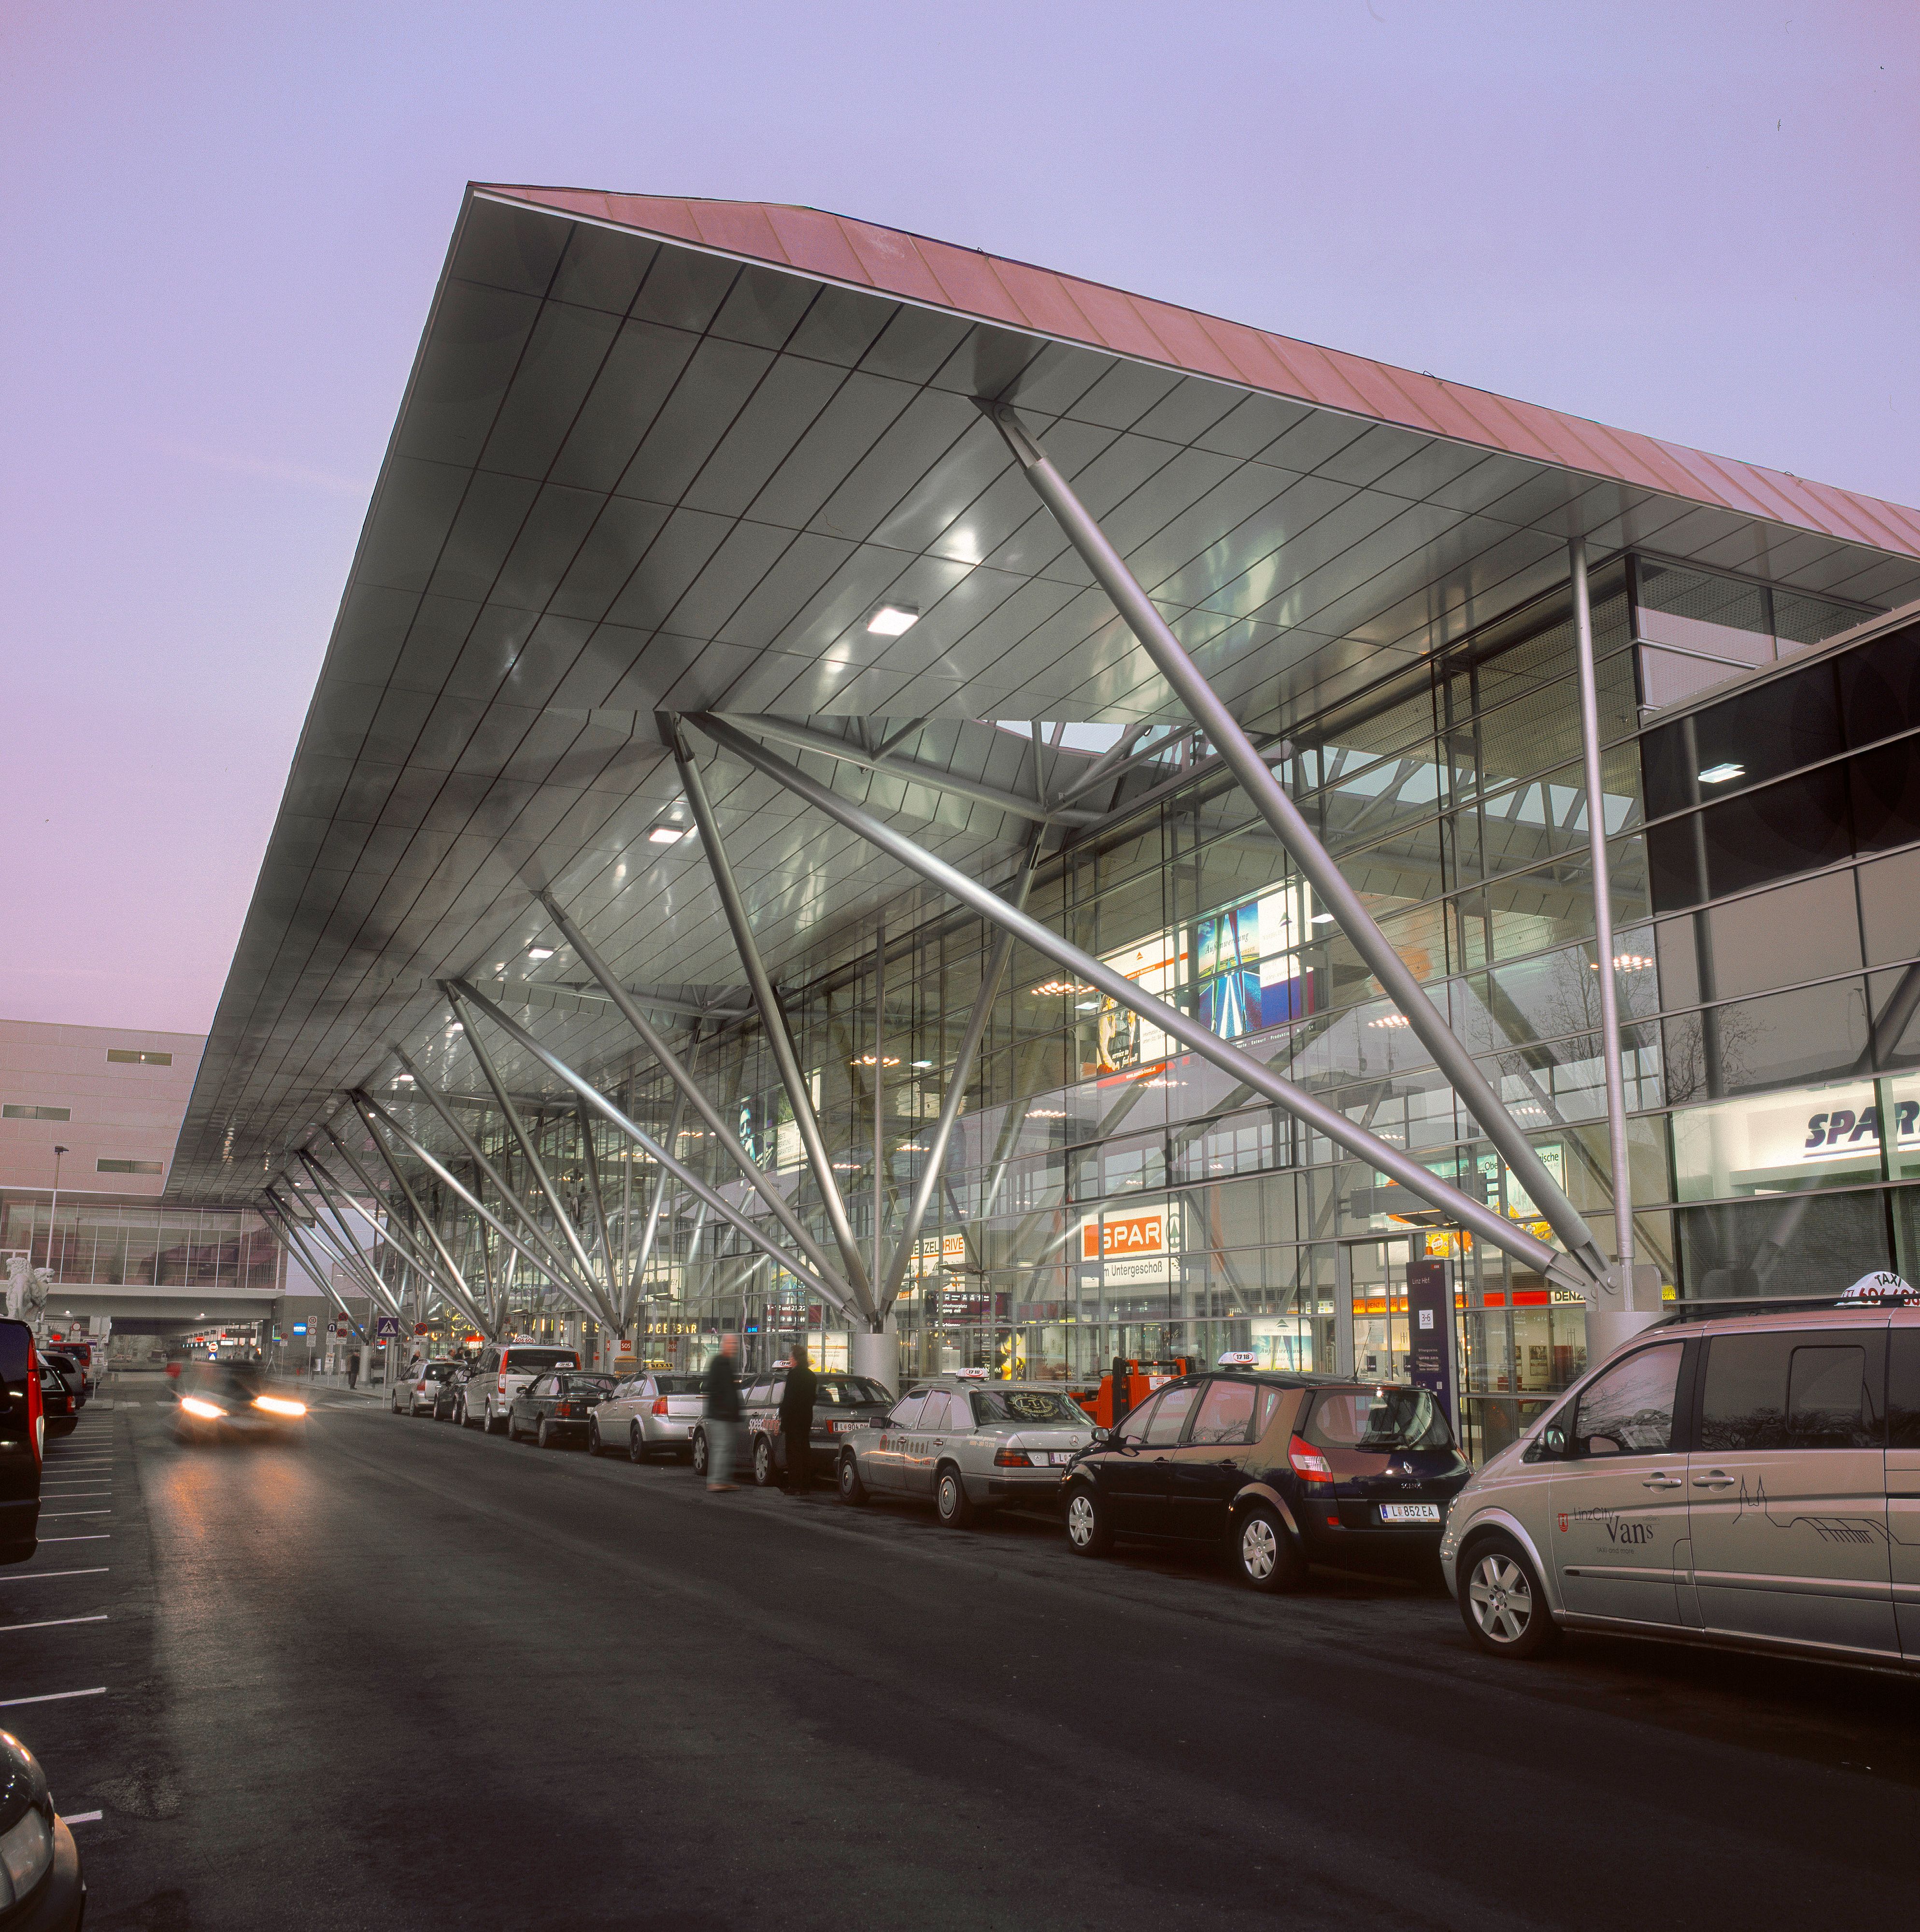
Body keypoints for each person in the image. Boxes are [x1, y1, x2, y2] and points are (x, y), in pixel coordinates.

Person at [702, 1333, 741, 1492]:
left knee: (726, 1448)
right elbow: (714, 1388)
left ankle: (723, 1480)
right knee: (720, 1448)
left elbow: (732, 1391)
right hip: (720, 1415)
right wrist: (723, 1409)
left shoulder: (728, 1363)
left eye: (735, 1345)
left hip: (727, 1414)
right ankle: (715, 1481)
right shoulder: (719, 1363)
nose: (734, 1347)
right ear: (724, 1345)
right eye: (731, 1344)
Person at [778, 1340, 818, 1495]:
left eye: (791, 1356)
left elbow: (789, 1399)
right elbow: (813, 1397)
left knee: (793, 1452)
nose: (790, 1359)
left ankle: (794, 1485)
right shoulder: (811, 1376)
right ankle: (805, 1485)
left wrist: (783, 1414)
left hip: (793, 1419)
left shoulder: (794, 1375)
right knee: (804, 1450)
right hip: (806, 1417)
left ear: (795, 1358)